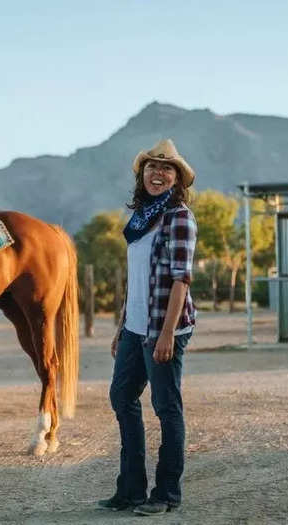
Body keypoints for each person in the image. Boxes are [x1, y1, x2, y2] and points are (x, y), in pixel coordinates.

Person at [98, 138, 198, 516]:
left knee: (166, 407)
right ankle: (131, 490)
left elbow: (179, 279)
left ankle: (167, 493)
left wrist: (167, 333)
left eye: (166, 168)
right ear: (142, 175)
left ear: (177, 179)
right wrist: (122, 325)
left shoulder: (179, 217)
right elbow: (136, 277)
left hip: (163, 327)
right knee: (122, 398)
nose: (158, 173)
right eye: (152, 167)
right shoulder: (140, 220)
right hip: (136, 327)